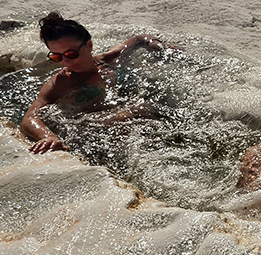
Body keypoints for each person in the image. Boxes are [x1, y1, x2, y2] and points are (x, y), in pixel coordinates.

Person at [21, 12, 174, 154]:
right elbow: (29, 119)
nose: (66, 61)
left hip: (124, 118)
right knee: (140, 110)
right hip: (92, 130)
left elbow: (138, 39)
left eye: (71, 54)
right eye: (57, 57)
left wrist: (157, 44)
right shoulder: (61, 82)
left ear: (89, 45)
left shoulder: (107, 59)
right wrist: (49, 136)